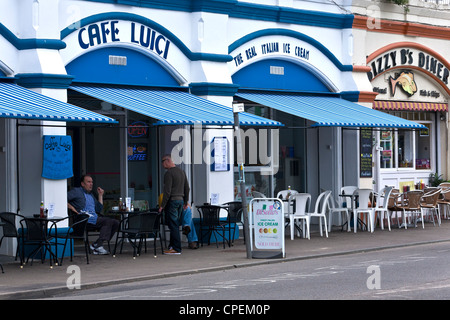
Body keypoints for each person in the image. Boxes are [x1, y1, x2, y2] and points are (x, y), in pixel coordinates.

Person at [67, 174, 119, 255]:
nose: (91, 184)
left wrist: (100, 195)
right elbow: (63, 199)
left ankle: (97, 244)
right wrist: (72, 209)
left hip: (94, 219)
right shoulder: (76, 191)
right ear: (82, 184)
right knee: (107, 221)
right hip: (84, 220)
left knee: (116, 222)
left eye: (92, 182)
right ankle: (98, 247)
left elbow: (99, 209)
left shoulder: (91, 195)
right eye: (88, 182)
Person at [159, 154, 190, 255]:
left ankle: (176, 248)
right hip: (180, 201)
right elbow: (187, 188)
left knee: (173, 225)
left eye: (163, 161)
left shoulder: (169, 173)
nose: (162, 164)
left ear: (168, 161)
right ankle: (172, 246)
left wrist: (162, 205)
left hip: (172, 201)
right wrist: (186, 201)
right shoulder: (182, 172)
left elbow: (167, 191)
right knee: (175, 224)